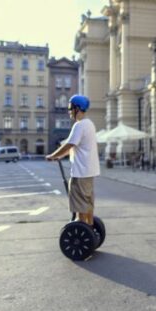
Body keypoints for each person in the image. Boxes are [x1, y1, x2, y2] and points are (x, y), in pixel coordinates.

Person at [45, 94, 100, 226]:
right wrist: (60, 156)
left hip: (80, 172)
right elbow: (76, 147)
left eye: (70, 108)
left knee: (79, 202)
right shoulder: (90, 124)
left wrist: (53, 155)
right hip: (89, 171)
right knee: (87, 200)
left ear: (77, 108)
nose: (69, 111)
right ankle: (90, 225)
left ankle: (81, 225)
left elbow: (70, 144)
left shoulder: (79, 125)